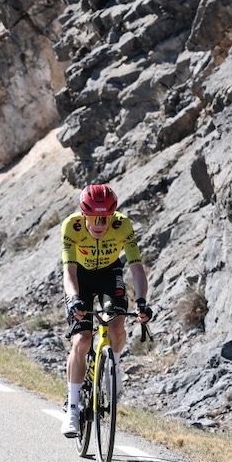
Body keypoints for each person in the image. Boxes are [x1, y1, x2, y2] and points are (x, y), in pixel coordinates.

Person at [60, 183, 153, 438]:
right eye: (93, 218)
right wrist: (74, 299)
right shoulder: (71, 226)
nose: (99, 224)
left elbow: (136, 267)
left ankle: (114, 367)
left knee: (117, 326)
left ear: (113, 215)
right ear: (83, 214)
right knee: (82, 340)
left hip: (109, 275)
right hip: (80, 278)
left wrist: (142, 301)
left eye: (105, 218)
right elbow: (69, 272)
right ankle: (72, 409)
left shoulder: (123, 225)